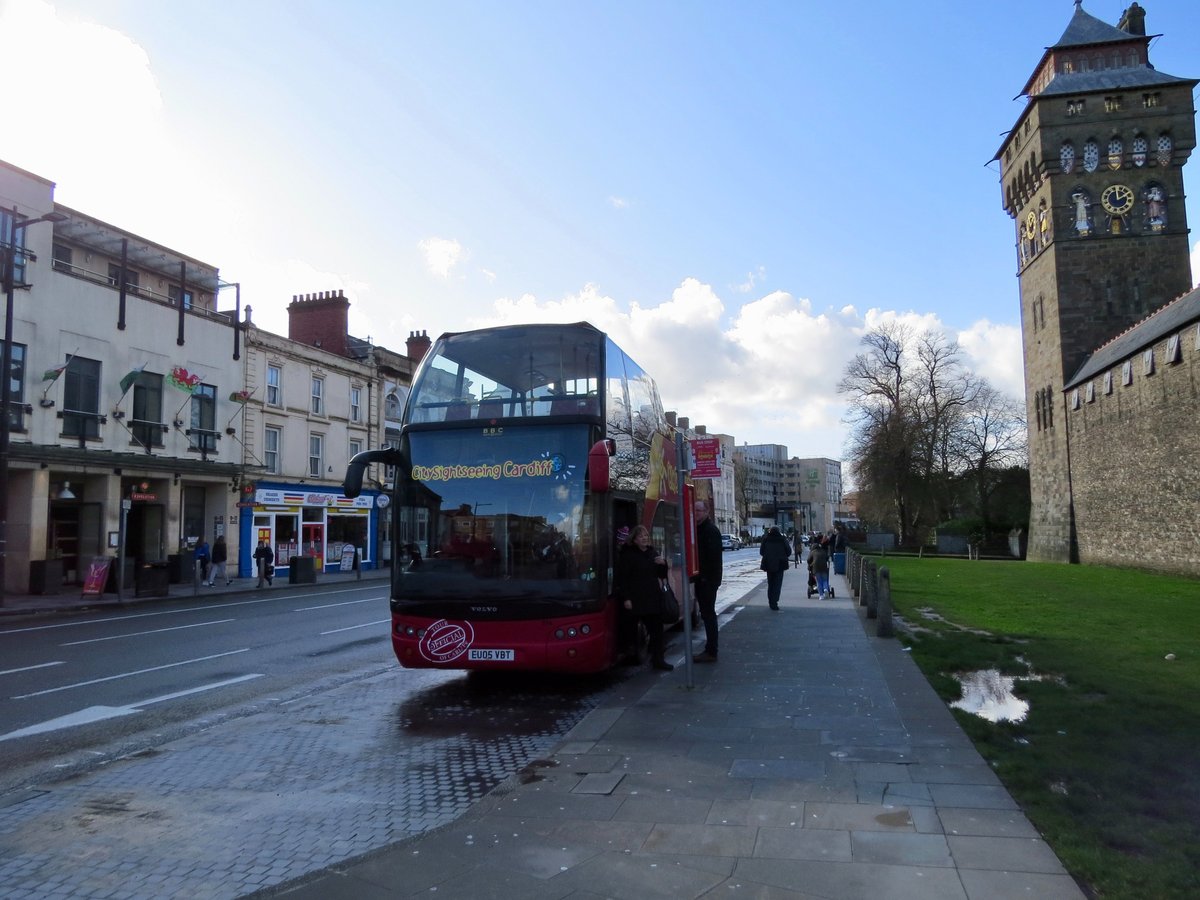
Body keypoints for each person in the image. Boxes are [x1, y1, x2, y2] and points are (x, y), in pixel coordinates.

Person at [614, 525, 673, 671]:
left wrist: (663, 565)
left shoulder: (652, 552)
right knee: (630, 629)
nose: (645, 538)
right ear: (634, 540)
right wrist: (626, 598)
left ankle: (658, 660)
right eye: (641, 536)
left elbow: (661, 575)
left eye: (646, 536)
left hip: (652, 597)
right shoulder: (628, 555)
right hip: (636, 598)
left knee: (657, 632)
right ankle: (629, 653)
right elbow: (623, 579)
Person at [691, 499, 724, 664]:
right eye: (694, 510)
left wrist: (706, 579)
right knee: (707, 615)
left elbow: (713, 559)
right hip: (704, 579)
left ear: (706, 512)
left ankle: (711, 650)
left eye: (699, 510)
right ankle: (710, 649)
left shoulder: (709, 530)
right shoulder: (699, 529)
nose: (696, 513)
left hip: (707, 581)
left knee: (708, 615)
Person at [759, 526, 791, 610]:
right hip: (780, 564)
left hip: (769, 564)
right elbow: (788, 551)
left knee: (771, 584)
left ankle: (771, 601)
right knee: (777, 584)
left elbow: (761, 552)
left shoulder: (766, 539)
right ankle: (775, 602)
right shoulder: (782, 539)